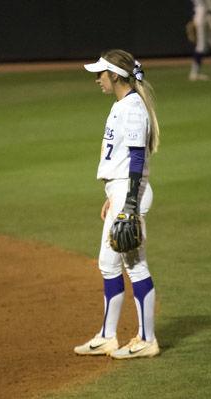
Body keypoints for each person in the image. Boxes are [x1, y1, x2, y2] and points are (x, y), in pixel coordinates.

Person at [74, 49, 161, 359]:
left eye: (101, 73)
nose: (97, 79)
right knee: (108, 264)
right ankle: (108, 336)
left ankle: (147, 339)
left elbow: (137, 159)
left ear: (114, 75)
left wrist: (130, 205)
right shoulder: (121, 105)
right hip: (120, 192)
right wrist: (112, 198)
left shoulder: (133, 108)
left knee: (135, 266)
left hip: (130, 193)